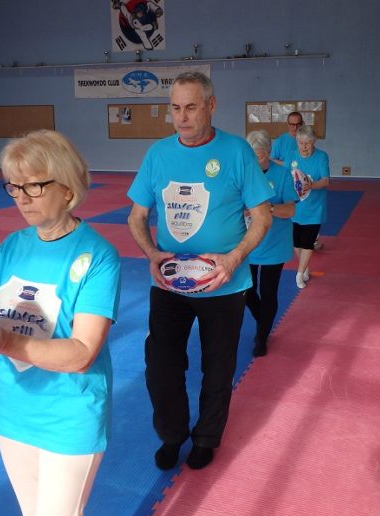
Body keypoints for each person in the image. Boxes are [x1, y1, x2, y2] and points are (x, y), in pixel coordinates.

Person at [0, 130, 121, 516]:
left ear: (67, 187)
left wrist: (3, 340)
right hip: (12, 408)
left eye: (33, 185)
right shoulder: (13, 245)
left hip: (68, 415)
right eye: (14, 186)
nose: (21, 198)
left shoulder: (98, 256)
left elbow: (82, 353)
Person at [127, 71, 274, 471]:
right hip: (170, 283)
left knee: (218, 366)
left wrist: (233, 259)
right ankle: (172, 435)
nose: (182, 117)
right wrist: (151, 253)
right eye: (175, 108)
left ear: (211, 105)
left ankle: (206, 437)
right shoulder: (157, 154)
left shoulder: (237, 152)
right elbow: (137, 216)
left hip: (224, 285)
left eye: (191, 107)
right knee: (161, 365)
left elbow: (262, 217)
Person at [244, 130, 298, 357]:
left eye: (260, 155)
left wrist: (270, 209)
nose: (257, 160)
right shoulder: (245, 174)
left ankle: (262, 336)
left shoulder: (283, 175)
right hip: (248, 242)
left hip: (275, 242)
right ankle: (264, 320)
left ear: (268, 153)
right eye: (252, 155)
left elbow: (290, 209)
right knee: (246, 290)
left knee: (268, 292)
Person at [286, 125, 330, 289]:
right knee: (296, 243)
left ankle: (299, 274)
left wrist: (311, 185)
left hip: (314, 207)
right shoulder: (291, 156)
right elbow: (284, 177)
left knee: (308, 243)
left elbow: (326, 180)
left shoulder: (321, 157)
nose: (304, 147)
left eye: (307, 143)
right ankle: (305, 267)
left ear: (313, 141)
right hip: (295, 207)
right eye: (300, 143)